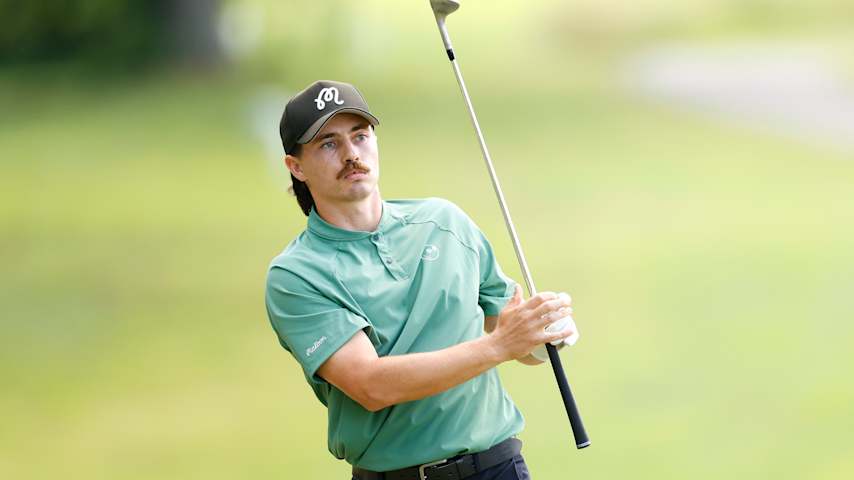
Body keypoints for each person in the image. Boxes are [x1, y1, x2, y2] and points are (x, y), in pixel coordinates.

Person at [265, 80, 577, 480]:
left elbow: (516, 338)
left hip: (497, 467)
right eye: (329, 144)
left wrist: (548, 332)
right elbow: (370, 386)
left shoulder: (444, 222)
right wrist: (500, 345)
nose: (351, 154)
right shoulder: (297, 275)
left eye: (360, 137)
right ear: (296, 167)